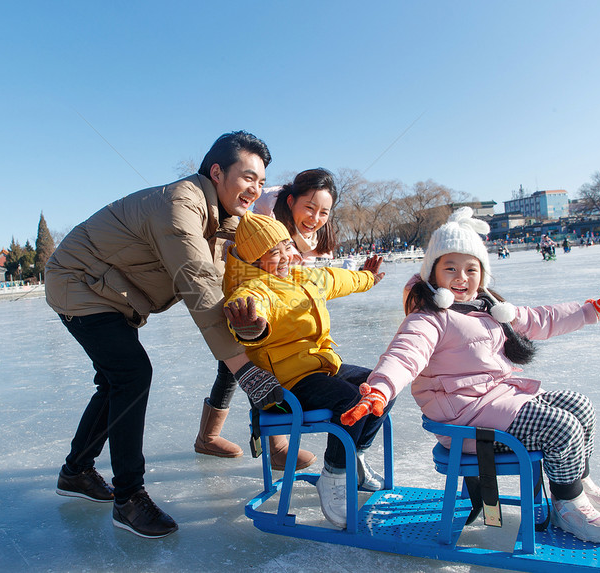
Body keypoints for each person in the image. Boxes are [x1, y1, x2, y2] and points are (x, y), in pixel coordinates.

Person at [45, 131, 286, 539]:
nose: (254, 190)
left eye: (261, 183)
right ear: (217, 172)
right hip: (79, 283)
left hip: (111, 291)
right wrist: (245, 370)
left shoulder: (223, 221)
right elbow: (199, 286)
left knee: (114, 381)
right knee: (131, 374)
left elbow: (235, 275)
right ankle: (128, 497)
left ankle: (76, 471)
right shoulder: (181, 206)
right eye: (248, 178)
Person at [342, 207, 600, 544]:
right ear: (432, 273)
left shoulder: (487, 307)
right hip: (464, 417)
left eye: (471, 269)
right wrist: (379, 389)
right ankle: (568, 505)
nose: (461, 278)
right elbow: (404, 355)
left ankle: (578, 485)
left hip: (494, 400)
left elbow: (539, 319)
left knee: (579, 406)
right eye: (450, 268)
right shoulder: (428, 319)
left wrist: (589, 311)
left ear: (482, 273)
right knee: (561, 427)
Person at [222, 212, 391, 528]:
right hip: (286, 386)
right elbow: (249, 313)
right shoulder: (252, 289)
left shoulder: (302, 277)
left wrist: (367, 277)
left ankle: (353, 458)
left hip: (321, 366)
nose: (285, 255)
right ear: (254, 259)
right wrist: (250, 328)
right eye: (274, 252)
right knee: (352, 400)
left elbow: (339, 278)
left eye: (286, 245)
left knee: (382, 385)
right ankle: (334, 473)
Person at [194, 169, 338, 469]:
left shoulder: (307, 229)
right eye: (309, 208)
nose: (314, 217)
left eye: (324, 212)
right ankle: (272, 446)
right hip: (245, 290)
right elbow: (249, 258)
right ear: (290, 201)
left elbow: (303, 270)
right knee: (243, 365)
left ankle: (220, 437)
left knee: (240, 366)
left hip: (274, 294)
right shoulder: (263, 216)